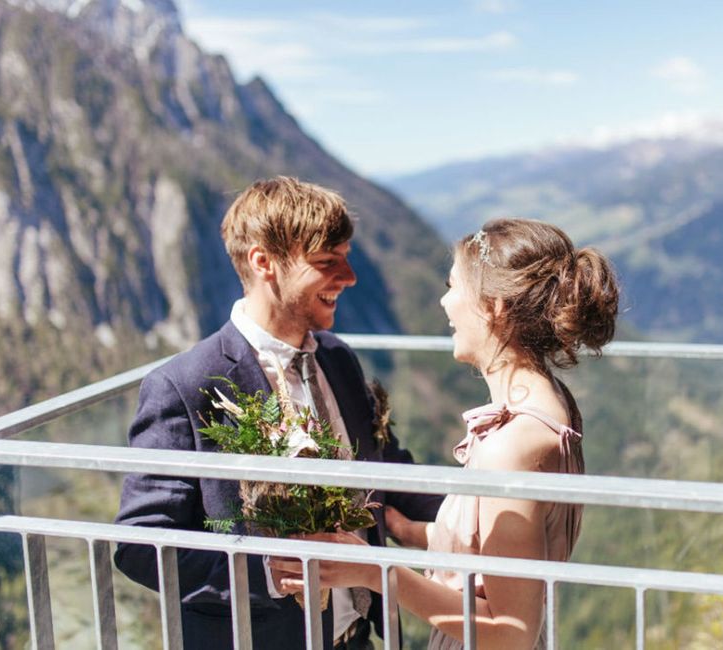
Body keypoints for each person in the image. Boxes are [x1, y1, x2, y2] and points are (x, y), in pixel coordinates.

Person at [113, 176, 443, 650]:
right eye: (328, 262)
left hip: (360, 638)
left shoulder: (338, 358)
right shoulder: (185, 386)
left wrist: (482, 514)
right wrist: (267, 570)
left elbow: (387, 469)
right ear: (264, 262)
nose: (349, 277)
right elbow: (142, 545)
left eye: (347, 257)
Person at [271, 218, 620, 649]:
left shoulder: (511, 447)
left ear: (493, 305)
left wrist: (372, 570)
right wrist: (403, 527)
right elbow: (497, 545)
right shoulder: (549, 405)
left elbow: (509, 634)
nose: (444, 301)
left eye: (454, 286)